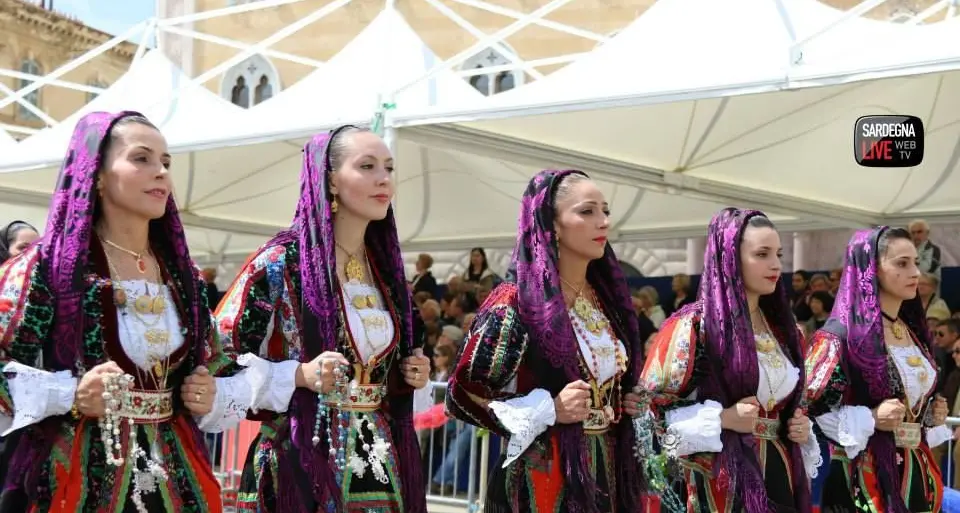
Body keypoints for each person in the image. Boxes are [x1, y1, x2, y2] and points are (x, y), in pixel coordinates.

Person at [0, 111, 229, 511]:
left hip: (175, 479)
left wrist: (207, 389)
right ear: (98, 174)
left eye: (166, 162)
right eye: (141, 158)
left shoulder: (183, 278)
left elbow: (219, 364)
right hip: (77, 479)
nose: (160, 172)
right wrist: (70, 394)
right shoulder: (48, 268)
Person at [213, 126, 429, 513]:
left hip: (378, 462)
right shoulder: (283, 261)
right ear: (330, 179)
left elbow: (386, 358)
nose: (384, 179)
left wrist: (408, 371)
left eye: (389, 168)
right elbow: (220, 352)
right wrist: (297, 375)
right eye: (367, 166)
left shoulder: (388, 274)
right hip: (301, 458)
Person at [446, 169, 644, 512]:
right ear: (551, 223)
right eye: (587, 211)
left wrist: (626, 399)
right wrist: (549, 408)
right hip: (545, 479)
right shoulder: (516, 302)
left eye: (605, 211)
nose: (603, 222)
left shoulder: (606, 302)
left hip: (607, 472)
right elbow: (461, 394)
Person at [639, 208, 819, 513]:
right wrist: (722, 419)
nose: (775, 265)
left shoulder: (782, 329)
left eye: (778, 254)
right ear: (730, 257)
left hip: (778, 471)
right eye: (762, 254)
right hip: (719, 480)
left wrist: (798, 424)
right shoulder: (694, 325)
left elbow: (790, 399)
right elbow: (650, 409)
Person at [805, 227, 951, 513]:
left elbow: (910, 398)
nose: (915, 273)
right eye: (901, 263)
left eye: (915, 263)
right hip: (864, 478)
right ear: (871, 270)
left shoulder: (913, 333)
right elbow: (812, 409)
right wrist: (870, 417)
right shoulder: (840, 336)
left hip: (916, 472)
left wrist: (931, 412)